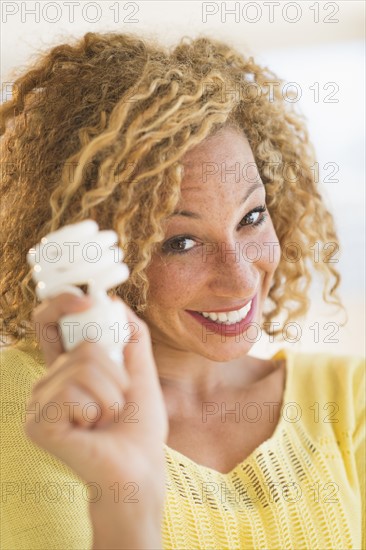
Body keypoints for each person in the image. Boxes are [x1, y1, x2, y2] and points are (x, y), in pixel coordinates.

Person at [0, 32, 364, 550]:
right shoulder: (42, 400)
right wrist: (125, 500)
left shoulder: (347, 398)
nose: (241, 278)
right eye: (182, 242)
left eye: (251, 217)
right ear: (104, 246)